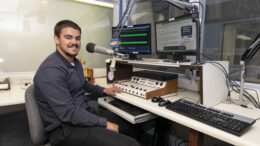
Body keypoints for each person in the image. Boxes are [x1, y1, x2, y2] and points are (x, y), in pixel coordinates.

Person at [33, 20, 141, 146]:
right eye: (68, 37)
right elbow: (68, 113)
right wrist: (104, 123)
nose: (74, 42)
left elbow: (82, 84)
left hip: (83, 114)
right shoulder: (51, 70)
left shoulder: (75, 62)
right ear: (56, 39)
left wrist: (103, 90)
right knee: (130, 144)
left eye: (77, 38)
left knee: (129, 125)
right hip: (64, 129)